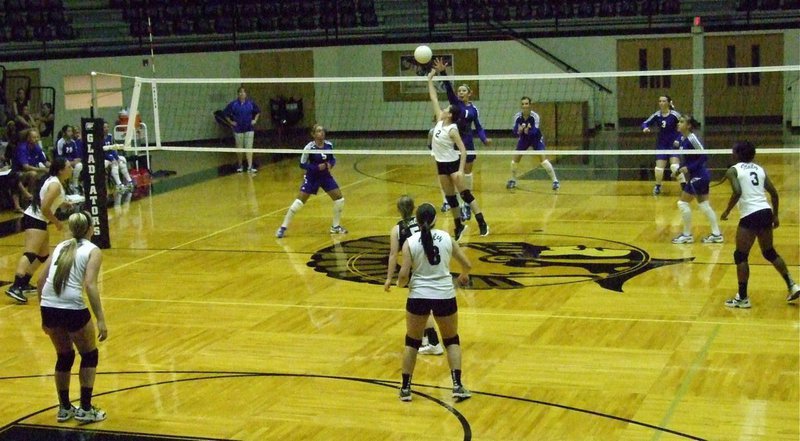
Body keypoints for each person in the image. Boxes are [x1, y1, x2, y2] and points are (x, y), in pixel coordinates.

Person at [396, 202, 472, 402]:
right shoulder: (447, 238)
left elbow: (403, 274)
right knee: (451, 340)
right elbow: (467, 264)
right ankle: (457, 385)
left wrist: (400, 284)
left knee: (412, 342)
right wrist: (463, 276)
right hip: (444, 295)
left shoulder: (410, 242)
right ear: (435, 219)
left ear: (417, 220)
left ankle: (405, 388)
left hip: (418, 296)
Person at [37, 211, 108, 423]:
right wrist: (101, 319)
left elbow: (41, 280)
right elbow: (90, 285)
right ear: (90, 229)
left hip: (49, 306)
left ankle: (64, 408)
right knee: (89, 355)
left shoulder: (61, 246)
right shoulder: (93, 250)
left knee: (65, 356)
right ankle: (85, 408)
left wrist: (43, 313)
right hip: (72, 308)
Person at [719, 141, 800, 308]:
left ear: (738, 154)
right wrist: (775, 216)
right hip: (765, 212)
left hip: (750, 215)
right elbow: (774, 194)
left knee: (740, 256)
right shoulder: (759, 169)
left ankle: (742, 298)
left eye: (733, 151)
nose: (731, 153)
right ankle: (792, 285)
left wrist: (727, 211)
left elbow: (737, 191)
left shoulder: (733, 170)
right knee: (769, 252)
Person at [426, 62, 489, 240]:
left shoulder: (452, 129)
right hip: (441, 165)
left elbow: (463, 150)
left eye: (446, 109)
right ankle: (458, 226)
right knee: (451, 198)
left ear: (450, 114)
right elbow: (434, 98)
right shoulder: (439, 120)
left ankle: (482, 222)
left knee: (465, 195)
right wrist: (430, 79)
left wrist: (461, 170)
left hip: (453, 164)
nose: (443, 109)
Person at [5, 157, 73, 303]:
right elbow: (44, 208)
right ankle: (15, 286)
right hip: (35, 219)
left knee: (42, 255)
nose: (71, 169)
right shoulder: (55, 185)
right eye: (69, 167)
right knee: (30, 253)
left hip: (38, 219)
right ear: (61, 170)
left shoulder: (54, 181)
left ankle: (24, 283)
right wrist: (57, 222)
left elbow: (45, 199)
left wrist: (63, 203)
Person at [384, 195, 443, 355]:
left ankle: (433, 341)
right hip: (431, 264)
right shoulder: (422, 222)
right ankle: (425, 338)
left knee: (422, 307)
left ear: (398, 209)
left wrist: (389, 278)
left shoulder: (397, 229)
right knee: (424, 304)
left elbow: (393, 255)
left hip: (414, 268)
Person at [275, 124, 346, 238]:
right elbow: (302, 164)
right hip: (312, 177)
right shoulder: (309, 147)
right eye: (318, 131)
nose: (321, 133)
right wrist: (316, 168)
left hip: (325, 176)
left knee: (339, 199)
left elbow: (332, 159)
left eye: (322, 131)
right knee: (299, 202)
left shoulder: (329, 145)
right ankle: (283, 227)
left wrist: (330, 164)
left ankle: (335, 227)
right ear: (313, 134)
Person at [670, 115, 723, 244]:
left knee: (682, 203)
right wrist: (679, 169)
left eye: (681, 122)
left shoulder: (692, 138)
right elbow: (689, 159)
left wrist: (688, 167)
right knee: (704, 205)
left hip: (699, 176)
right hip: (697, 175)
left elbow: (704, 156)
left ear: (688, 126)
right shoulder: (682, 139)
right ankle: (716, 234)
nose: (678, 124)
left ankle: (687, 235)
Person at [507, 96, 560, 191]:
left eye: (526, 104)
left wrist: (528, 131)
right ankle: (513, 180)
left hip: (536, 139)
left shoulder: (535, 116)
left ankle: (555, 181)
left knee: (543, 160)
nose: (524, 106)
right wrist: (518, 131)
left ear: (530, 105)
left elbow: (535, 131)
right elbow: (515, 130)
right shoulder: (517, 117)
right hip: (524, 139)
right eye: (523, 104)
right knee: (514, 160)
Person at [641, 95, 681, 196]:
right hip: (662, 145)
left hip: (673, 145)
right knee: (658, 169)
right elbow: (645, 123)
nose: (661, 103)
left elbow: (684, 126)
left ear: (668, 103)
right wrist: (645, 128)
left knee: (674, 167)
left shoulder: (675, 115)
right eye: (660, 101)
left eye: (664, 101)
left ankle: (685, 186)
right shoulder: (657, 115)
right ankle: (658, 186)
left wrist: (679, 139)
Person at [224, 86, 261, 173]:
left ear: (246, 94)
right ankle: (240, 165)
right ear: (238, 94)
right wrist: (231, 122)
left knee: (249, 148)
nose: (242, 94)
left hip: (249, 129)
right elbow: (225, 114)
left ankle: (250, 166)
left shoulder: (251, 103)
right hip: (238, 129)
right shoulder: (233, 104)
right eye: (240, 92)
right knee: (239, 149)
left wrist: (255, 120)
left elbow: (258, 111)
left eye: (243, 92)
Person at [102, 122, 134, 191]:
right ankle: (119, 184)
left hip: (111, 156)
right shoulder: (99, 138)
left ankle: (129, 181)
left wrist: (117, 158)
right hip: (104, 158)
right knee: (115, 164)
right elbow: (101, 152)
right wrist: (112, 158)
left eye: (107, 127)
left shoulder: (110, 136)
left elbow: (113, 148)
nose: (106, 129)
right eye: (104, 127)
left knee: (122, 161)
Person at [55, 125, 83, 193]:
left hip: (72, 162)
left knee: (79, 165)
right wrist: (70, 162)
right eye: (68, 131)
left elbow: (76, 155)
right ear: (64, 132)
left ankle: (75, 184)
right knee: (70, 168)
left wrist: (78, 159)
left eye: (71, 131)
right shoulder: (60, 142)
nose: (71, 133)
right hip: (63, 162)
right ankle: (69, 185)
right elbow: (59, 157)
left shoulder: (73, 142)